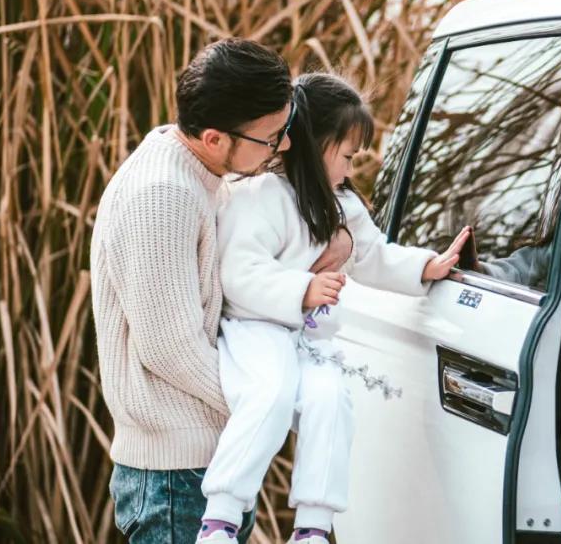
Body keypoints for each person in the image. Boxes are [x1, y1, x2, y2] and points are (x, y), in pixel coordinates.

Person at [91, 39, 350, 543]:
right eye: (271, 138)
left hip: (201, 461)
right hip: (175, 477)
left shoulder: (201, 171)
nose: (284, 147)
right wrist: (270, 400)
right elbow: (170, 348)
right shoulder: (163, 195)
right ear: (214, 138)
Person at [196, 72, 470, 544]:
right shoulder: (259, 197)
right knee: (269, 395)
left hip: (308, 337)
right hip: (256, 328)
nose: (349, 169)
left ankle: (313, 527)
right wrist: (303, 288)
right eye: (346, 156)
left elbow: (374, 255)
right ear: (314, 144)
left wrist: (426, 266)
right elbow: (239, 273)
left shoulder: (342, 205)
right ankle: (220, 517)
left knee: (331, 402)